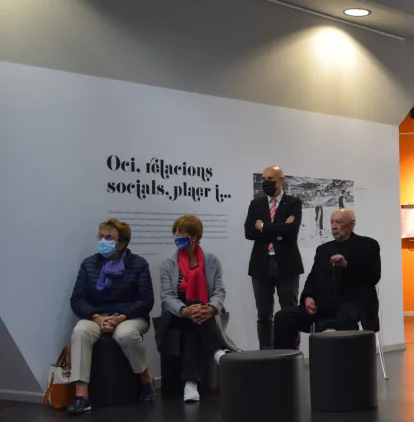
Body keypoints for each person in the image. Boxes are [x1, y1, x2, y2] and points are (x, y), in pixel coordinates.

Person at [66, 219, 155, 414]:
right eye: (101, 236)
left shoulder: (138, 264)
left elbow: (146, 301)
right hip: (98, 316)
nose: (102, 241)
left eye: (109, 237)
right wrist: (96, 316)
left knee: (125, 334)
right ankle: (81, 395)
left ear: (122, 243)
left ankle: (146, 381)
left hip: (130, 316)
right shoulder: (89, 264)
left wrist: (122, 316)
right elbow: (77, 299)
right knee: (80, 331)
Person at [273, 208, 381, 349]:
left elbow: (373, 277)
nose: (334, 226)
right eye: (332, 222)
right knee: (283, 317)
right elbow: (313, 278)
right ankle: (287, 363)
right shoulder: (323, 249)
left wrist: (346, 265)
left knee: (345, 317)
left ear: (352, 224)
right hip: (323, 305)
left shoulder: (368, 245)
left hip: (354, 302)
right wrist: (308, 298)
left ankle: (349, 366)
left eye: (339, 222)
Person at [160, 215, 231, 403]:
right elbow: (167, 297)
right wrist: (184, 310)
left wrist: (211, 308)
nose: (177, 235)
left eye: (182, 232)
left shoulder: (211, 261)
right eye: (176, 231)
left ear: (195, 237)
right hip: (176, 314)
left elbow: (219, 291)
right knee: (192, 308)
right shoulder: (169, 263)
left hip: (204, 314)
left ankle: (190, 384)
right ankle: (218, 352)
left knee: (193, 331)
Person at [244, 165, 303, 349]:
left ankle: (290, 352)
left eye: (270, 179)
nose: (266, 183)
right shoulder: (256, 204)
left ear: (281, 180)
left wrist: (263, 227)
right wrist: (278, 229)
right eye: (264, 179)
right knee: (263, 314)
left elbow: (291, 231)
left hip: (287, 264)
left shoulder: (293, 203)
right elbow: (248, 233)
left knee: (290, 311)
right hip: (261, 265)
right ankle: (266, 353)